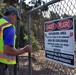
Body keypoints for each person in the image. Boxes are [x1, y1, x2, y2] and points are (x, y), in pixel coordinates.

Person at [0, 6, 32, 75]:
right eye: (16, 18)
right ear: (12, 15)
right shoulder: (8, 27)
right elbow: (8, 50)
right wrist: (24, 50)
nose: (16, 20)